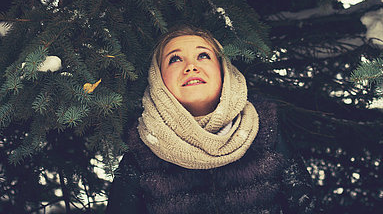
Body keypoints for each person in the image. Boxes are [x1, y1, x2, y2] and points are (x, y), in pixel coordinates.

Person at [105, 25, 316, 213]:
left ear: (223, 70)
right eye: (175, 59)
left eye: (203, 56)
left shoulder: (265, 130)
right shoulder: (143, 148)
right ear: (158, 79)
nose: (191, 67)